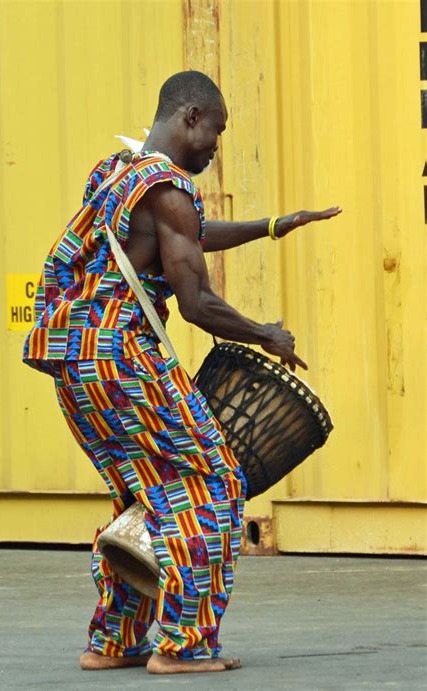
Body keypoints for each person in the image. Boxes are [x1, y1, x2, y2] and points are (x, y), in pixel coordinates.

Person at [23, 70, 341, 675]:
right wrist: (266, 334)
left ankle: (113, 641)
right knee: (214, 482)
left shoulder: (116, 172)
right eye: (215, 134)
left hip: (74, 360)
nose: (215, 149)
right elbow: (196, 304)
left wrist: (272, 225)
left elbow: (182, 236)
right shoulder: (168, 191)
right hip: (124, 357)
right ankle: (185, 645)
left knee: (143, 491)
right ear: (190, 115)